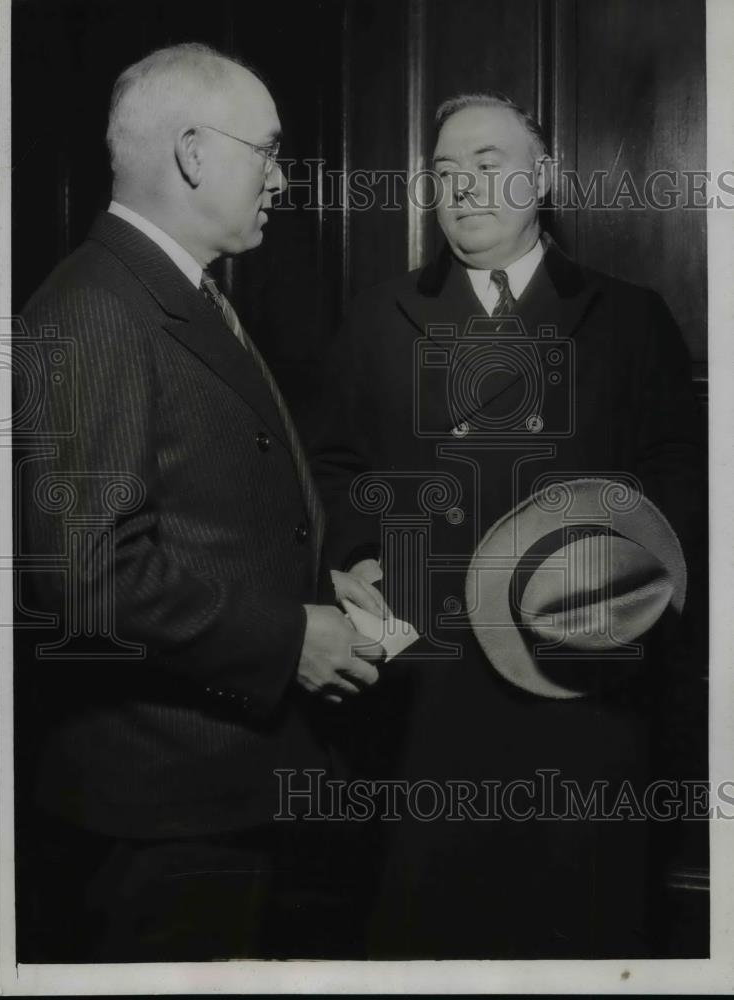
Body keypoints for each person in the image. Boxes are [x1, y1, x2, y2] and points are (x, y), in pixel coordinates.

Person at [313, 92, 706, 958]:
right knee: (434, 933)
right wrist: (360, 555)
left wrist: (612, 588)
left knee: (574, 933)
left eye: (487, 166)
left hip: (579, 684)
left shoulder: (630, 317)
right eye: (445, 173)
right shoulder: (379, 317)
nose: (463, 189)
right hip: (426, 689)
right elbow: (335, 467)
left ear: (545, 177)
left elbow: (683, 484)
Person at [14, 42, 385, 962]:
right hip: (163, 815)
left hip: (218, 796)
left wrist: (322, 584)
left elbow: (205, 515)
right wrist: (293, 639)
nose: (282, 180)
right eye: (266, 150)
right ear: (191, 153)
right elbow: (85, 577)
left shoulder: (173, 292)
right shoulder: (97, 309)